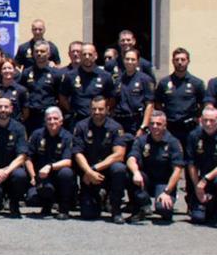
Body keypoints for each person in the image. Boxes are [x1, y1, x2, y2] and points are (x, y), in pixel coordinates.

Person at [72, 96, 127, 224]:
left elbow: (119, 154)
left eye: (100, 109)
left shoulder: (115, 128)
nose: (97, 112)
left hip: (107, 173)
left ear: (107, 109)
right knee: (88, 214)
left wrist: (93, 169)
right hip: (89, 176)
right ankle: (98, 198)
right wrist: (89, 172)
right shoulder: (81, 126)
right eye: (94, 109)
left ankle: (116, 210)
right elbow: (78, 153)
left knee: (119, 168)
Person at [126, 110, 184, 223]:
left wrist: (167, 192)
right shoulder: (142, 140)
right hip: (146, 181)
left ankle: (167, 202)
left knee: (163, 209)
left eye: (158, 124)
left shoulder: (173, 142)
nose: (155, 126)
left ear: (165, 125)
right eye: (152, 123)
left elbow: (178, 170)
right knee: (128, 173)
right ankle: (141, 207)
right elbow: (131, 158)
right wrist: (136, 172)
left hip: (164, 183)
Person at [23, 106, 74, 219]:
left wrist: (50, 166)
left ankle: (63, 209)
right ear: (45, 121)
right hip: (41, 176)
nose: (52, 121)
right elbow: (28, 158)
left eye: (55, 118)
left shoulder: (67, 137)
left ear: (61, 121)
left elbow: (68, 161)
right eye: (49, 119)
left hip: (59, 176)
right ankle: (46, 206)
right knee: (32, 199)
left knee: (66, 172)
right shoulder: (37, 135)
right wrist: (33, 176)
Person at [154, 47, 207, 153]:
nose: (180, 62)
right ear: (172, 61)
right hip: (170, 129)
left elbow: (203, 103)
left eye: (183, 59)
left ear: (188, 61)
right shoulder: (164, 83)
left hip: (190, 129)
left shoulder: (197, 83)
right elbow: (157, 103)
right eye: (177, 59)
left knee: (190, 160)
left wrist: (197, 116)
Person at [59, 43, 114, 125]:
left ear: (95, 56)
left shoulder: (105, 76)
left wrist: (103, 111)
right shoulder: (70, 76)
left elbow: (111, 99)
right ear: (80, 56)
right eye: (84, 54)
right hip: (77, 120)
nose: (87, 57)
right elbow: (62, 97)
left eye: (90, 54)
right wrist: (71, 110)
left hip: (98, 121)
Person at [20, 40, 60, 133]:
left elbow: (60, 95)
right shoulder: (26, 73)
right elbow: (22, 92)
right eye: (36, 51)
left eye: (42, 51)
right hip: (31, 115)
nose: (39, 54)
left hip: (48, 116)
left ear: (48, 54)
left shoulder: (55, 74)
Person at [113, 48, 155, 139]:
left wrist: (143, 127)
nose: (129, 62)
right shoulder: (118, 80)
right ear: (124, 60)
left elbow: (150, 105)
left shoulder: (145, 79)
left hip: (136, 123)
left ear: (137, 62)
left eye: (133, 59)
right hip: (120, 122)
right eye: (127, 59)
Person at [187, 106, 217, 225]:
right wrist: (197, 187)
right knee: (197, 218)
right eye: (205, 120)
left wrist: (205, 180)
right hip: (200, 179)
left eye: (212, 120)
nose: (208, 124)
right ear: (200, 120)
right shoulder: (194, 136)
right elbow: (191, 163)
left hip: (213, 177)